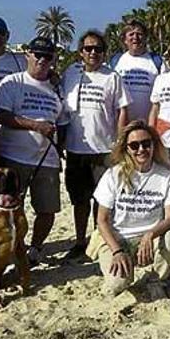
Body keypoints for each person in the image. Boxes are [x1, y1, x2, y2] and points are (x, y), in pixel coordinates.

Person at [0, 36, 70, 266]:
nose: (42, 60)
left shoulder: (57, 88)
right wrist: (35, 125)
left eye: (48, 56)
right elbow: (1, 116)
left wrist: (61, 145)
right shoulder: (12, 82)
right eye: (38, 54)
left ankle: (35, 249)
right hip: (13, 157)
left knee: (47, 211)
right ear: (28, 54)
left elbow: (64, 121)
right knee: (8, 209)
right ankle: (9, 250)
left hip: (47, 160)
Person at [88, 121, 170, 297]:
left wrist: (149, 235)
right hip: (117, 238)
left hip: (150, 238)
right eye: (134, 145)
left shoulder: (168, 176)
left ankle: (155, 279)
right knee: (116, 286)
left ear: (154, 145)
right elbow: (101, 220)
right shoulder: (113, 175)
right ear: (126, 149)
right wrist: (116, 251)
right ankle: (120, 270)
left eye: (146, 143)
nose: (141, 149)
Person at [61, 30, 131, 260]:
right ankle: (80, 241)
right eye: (88, 48)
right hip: (75, 149)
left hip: (104, 149)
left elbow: (122, 110)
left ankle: (97, 240)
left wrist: (120, 144)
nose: (93, 53)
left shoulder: (112, 77)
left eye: (98, 49)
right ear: (80, 52)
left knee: (102, 200)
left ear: (104, 53)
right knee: (79, 200)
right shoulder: (70, 73)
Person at [109, 19, 164, 123]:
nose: (135, 37)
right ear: (125, 39)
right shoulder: (115, 61)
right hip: (121, 124)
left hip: (148, 124)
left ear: (145, 38)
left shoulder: (157, 61)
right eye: (131, 34)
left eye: (139, 34)